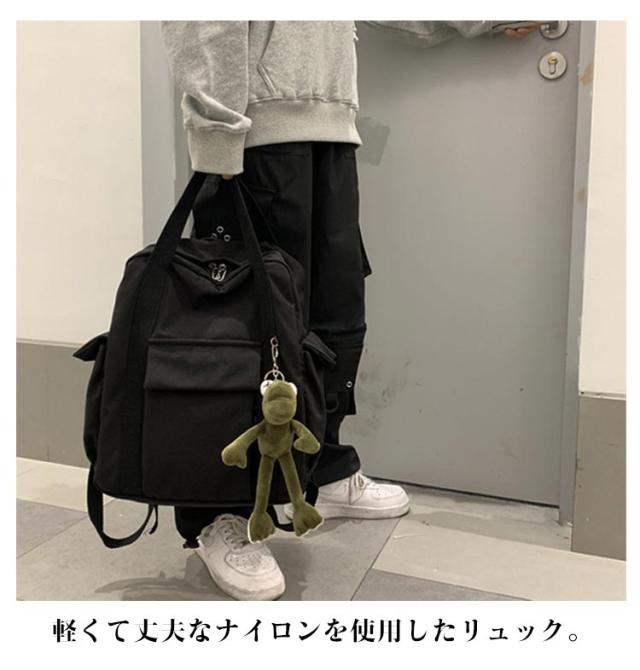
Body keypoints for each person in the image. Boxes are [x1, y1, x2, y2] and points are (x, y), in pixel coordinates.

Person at [161, 20, 542, 601]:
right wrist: (217, 134)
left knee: (334, 316)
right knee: (244, 330)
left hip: (332, 126)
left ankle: (323, 467)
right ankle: (221, 512)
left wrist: (477, 17)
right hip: (254, 134)